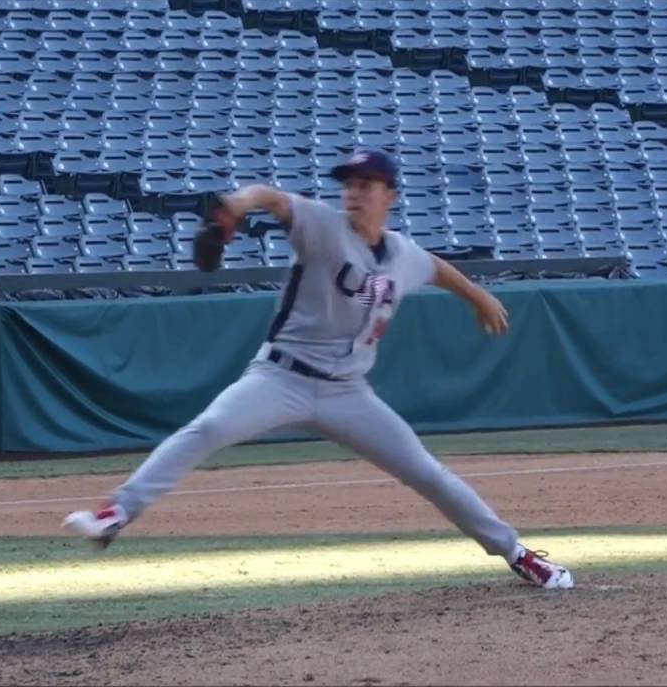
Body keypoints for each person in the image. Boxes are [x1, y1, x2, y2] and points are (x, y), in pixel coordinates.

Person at [63, 149, 573, 589]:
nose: (354, 193)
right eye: (349, 185)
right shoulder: (323, 226)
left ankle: (517, 554)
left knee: (427, 473)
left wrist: (477, 295)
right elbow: (273, 197)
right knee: (210, 427)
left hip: (349, 393)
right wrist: (234, 208)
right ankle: (115, 514)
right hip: (279, 377)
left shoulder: (402, 254)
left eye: (366, 185)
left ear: (389, 194)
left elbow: (434, 267)